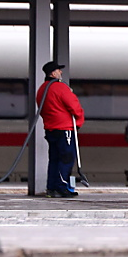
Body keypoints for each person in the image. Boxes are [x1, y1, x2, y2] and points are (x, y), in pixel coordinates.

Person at [37, 61, 85, 198]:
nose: (61, 72)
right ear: (53, 73)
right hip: (65, 129)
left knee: (54, 158)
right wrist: (79, 121)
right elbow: (74, 106)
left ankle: (51, 188)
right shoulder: (60, 88)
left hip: (50, 129)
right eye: (58, 70)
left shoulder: (41, 89)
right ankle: (61, 186)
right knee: (66, 158)